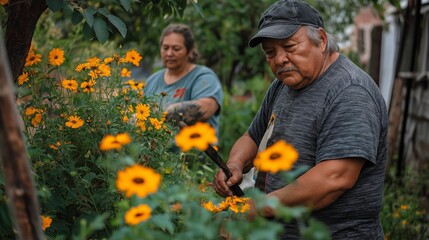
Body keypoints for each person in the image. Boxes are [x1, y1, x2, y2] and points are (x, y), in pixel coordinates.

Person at [213, 0, 388, 239]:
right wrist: (234, 164)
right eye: (270, 53)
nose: (280, 59)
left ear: (322, 40)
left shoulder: (350, 91)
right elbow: (252, 137)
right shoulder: (282, 85)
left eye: (290, 46)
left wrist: (258, 208)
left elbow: (335, 177)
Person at [144, 23, 223, 136]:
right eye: (165, 48)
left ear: (190, 51)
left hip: (192, 151)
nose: (169, 53)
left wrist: (156, 116)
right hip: (155, 152)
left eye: (176, 49)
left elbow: (206, 108)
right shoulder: (152, 80)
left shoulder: (203, 77)